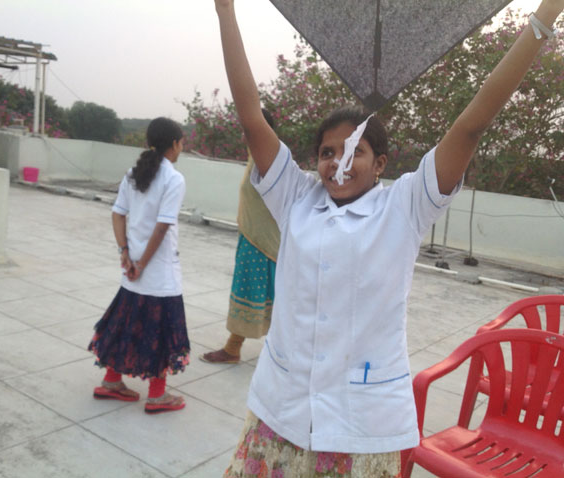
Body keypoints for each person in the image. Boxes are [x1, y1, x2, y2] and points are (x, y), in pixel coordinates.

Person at [214, 0, 564, 476]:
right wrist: (225, 13)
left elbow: (472, 123)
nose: (338, 161)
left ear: (381, 164)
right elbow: (252, 117)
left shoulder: (404, 205)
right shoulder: (295, 197)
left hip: (361, 430)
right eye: (327, 151)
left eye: (356, 151)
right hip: (280, 414)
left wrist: (545, 17)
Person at [88, 117, 190, 414]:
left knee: (126, 325)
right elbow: (162, 227)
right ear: (173, 144)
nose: (182, 147)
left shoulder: (133, 174)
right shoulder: (174, 179)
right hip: (157, 273)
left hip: (132, 269)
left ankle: (111, 382)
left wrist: (126, 255)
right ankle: (157, 395)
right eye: (182, 141)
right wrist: (141, 263)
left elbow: (118, 214)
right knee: (160, 331)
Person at [201, 108, 280, 364]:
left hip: (263, 243)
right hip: (253, 239)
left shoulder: (269, 159)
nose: (243, 134)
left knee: (257, 294)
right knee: (266, 296)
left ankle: (236, 349)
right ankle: (236, 348)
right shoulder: (255, 157)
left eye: (248, 129)